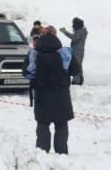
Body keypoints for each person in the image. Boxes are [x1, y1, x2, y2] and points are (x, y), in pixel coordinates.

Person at [22, 26, 80, 154]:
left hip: (42, 95)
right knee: (61, 124)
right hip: (61, 95)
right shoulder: (65, 53)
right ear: (55, 35)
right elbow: (75, 70)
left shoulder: (34, 54)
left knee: (43, 124)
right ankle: (61, 153)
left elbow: (25, 72)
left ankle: (42, 153)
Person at [60, 17, 87, 85]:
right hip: (79, 51)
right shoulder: (82, 31)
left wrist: (65, 32)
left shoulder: (79, 32)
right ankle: (80, 79)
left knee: (76, 65)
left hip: (77, 52)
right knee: (79, 65)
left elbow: (74, 38)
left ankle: (76, 81)